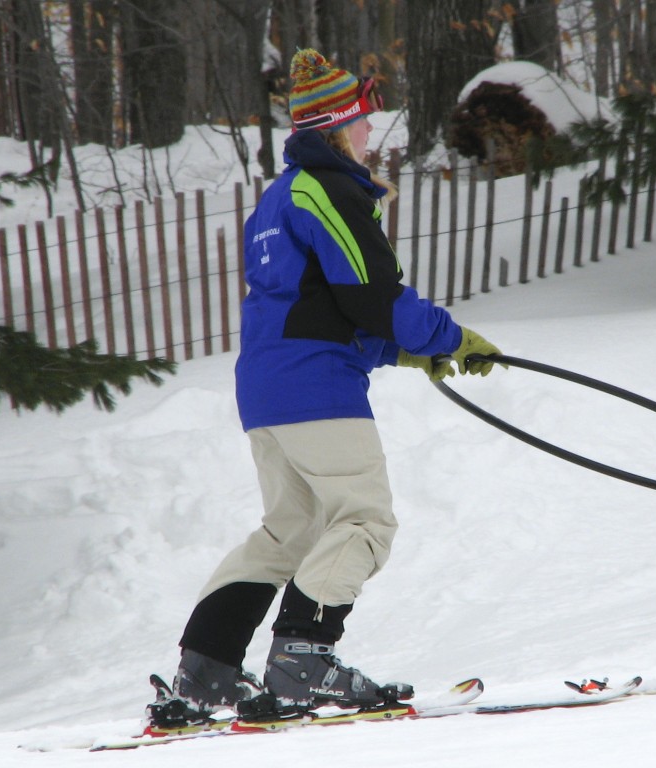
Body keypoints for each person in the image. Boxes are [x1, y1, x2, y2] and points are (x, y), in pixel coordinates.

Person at [153, 49, 502, 723]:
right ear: (340, 126)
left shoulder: (279, 198)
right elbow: (372, 294)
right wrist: (448, 338)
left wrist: (409, 355)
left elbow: (322, 305)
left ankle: (207, 668)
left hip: (268, 387)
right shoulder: (327, 187)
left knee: (291, 530)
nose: (373, 133)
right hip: (316, 388)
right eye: (365, 121)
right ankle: (304, 659)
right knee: (364, 520)